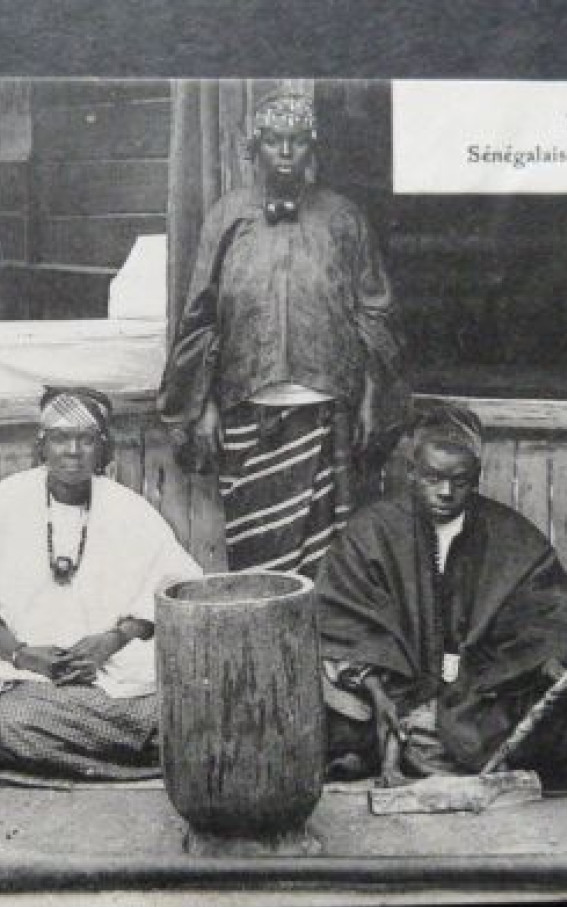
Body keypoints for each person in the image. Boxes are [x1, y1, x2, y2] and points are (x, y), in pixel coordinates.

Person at [159, 89, 404, 575]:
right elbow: (200, 318)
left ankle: (324, 647)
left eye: (297, 142)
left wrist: (373, 399)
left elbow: (376, 315)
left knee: (329, 554)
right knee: (259, 551)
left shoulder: (343, 218)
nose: (286, 153)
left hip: (327, 407)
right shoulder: (226, 218)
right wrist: (202, 405)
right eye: (275, 142)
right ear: (254, 150)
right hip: (248, 407)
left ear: (313, 149)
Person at [315, 400, 567, 788]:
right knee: (334, 708)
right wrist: (375, 689)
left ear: (475, 480)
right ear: (411, 473)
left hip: (477, 693)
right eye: (432, 478)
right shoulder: (370, 531)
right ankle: (418, 749)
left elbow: (552, 613)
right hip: (393, 690)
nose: (445, 492)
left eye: (459, 482)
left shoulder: (510, 533)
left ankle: (423, 751)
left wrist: (538, 661)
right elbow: (344, 620)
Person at [0, 387, 202, 779]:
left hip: (118, 680)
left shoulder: (130, 510)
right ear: (42, 445)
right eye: (61, 437)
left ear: (103, 447)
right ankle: (138, 761)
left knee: (191, 705)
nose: (73, 450)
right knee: (5, 723)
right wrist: (22, 655)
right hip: (31, 684)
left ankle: (111, 753)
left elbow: (177, 588)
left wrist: (114, 639)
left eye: (86, 439)